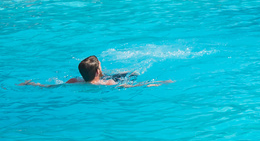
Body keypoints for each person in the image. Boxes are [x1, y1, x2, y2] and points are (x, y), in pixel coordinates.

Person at [20, 55, 172, 88]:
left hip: (94, 77)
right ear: (99, 70)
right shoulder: (108, 82)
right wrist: (157, 82)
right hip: (112, 78)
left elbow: (50, 86)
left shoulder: (73, 81)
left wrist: (31, 83)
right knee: (134, 73)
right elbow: (128, 86)